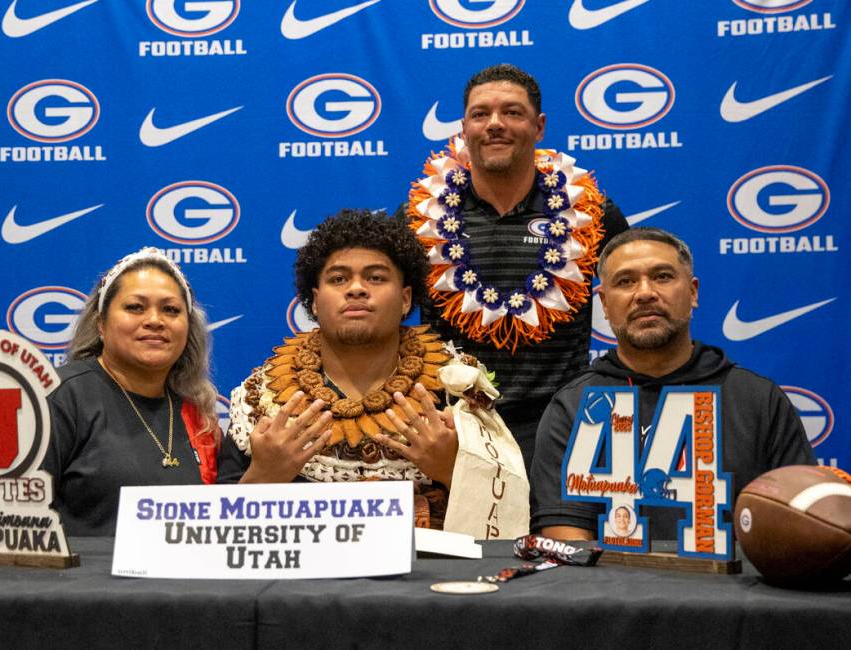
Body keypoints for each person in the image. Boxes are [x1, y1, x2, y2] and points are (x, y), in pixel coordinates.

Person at [218, 209, 530, 537]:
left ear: (406, 298)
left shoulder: (458, 389)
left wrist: (455, 470)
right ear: (314, 301)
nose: (356, 289)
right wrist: (264, 476)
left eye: (376, 277)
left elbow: (511, 522)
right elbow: (217, 539)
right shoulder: (264, 401)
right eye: (338, 278)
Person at [400, 63, 628, 477]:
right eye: (480, 114)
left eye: (512, 113)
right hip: (455, 428)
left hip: (563, 424)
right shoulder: (422, 217)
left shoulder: (590, 212)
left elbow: (631, 297)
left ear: (539, 127)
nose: (495, 124)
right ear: (463, 127)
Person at [530, 227, 815, 540]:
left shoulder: (758, 400)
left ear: (693, 292)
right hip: (609, 588)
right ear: (605, 304)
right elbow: (566, 539)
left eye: (662, 276)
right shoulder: (573, 405)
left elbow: (799, 523)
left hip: (733, 588)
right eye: (625, 282)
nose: (645, 293)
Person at [42, 247, 220, 536]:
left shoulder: (198, 417)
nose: (154, 320)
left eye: (171, 310)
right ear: (101, 324)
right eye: (135, 307)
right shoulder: (60, 396)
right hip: (80, 581)